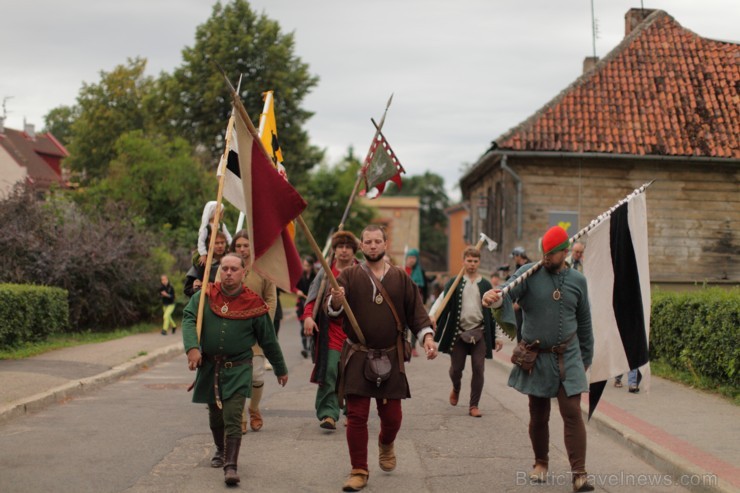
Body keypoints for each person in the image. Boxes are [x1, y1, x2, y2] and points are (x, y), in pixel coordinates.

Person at [483, 225, 594, 492]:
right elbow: (505, 295)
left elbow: (585, 322)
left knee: (571, 412)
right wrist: (494, 299)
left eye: (552, 254)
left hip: (568, 356)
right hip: (537, 357)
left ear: (565, 253)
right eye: (544, 253)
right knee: (538, 413)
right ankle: (541, 462)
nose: (546, 258)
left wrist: (585, 359)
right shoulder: (529, 274)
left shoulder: (578, 280)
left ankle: (579, 473)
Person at [328, 224, 438, 492]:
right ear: (362, 247)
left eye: (378, 241)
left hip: (391, 356)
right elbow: (331, 311)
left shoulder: (401, 279)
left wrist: (427, 338)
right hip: (358, 354)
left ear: (385, 244)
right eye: (368, 241)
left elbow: (418, 314)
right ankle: (359, 469)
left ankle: (386, 443)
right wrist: (335, 301)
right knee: (356, 415)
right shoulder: (348, 276)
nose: (373, 245)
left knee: (392, 418)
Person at [182, 253, 288, 486]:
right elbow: (189, 318)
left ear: (243, 273)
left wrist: (280, 368)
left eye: (233, 269)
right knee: (215, 413)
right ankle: (220, 449)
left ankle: (231, 465)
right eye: (225, 269)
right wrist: (191, 348)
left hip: (239, 367)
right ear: (219, 271)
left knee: (232, 414)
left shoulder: (254, 304)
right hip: (210, 365)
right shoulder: (204, 296)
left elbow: (268, 340)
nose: (228, 273)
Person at [434, 247, 503, 417]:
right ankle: (456, 387)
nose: (472, 264)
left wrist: (498, 336)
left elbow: (496, 310)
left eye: (475, 261)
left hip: (479, 333)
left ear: (479, 262)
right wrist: (431, 318)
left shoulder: (486, 284)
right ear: (463, 261)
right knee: (456, 369)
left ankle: (474, 405)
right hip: (459, 333)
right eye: (469, 261)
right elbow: (441, 302)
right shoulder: (454, 283)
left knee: (479, 368)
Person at [303, 231, 359, 430]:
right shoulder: (326, 272)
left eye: (348, 247)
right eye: (340, 247)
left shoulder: (362, 271)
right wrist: (309, 317)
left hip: (355, 332)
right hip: (331, 331)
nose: (344, 251)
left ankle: (352, 412)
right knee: (330, 370)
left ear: (354, 251)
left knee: (353, 373)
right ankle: (328, 413)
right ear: (334, 250)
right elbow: (312, 298)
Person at [231, 230, 278, 434]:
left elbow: (271, 299)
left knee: (257, 376)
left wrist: (263, 323)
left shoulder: (263, 269)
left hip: (256, 330)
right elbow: (215, 292)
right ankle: (240, 416)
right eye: (239, 245)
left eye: (246, 245)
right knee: (237, 376)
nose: (242, 249)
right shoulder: (227, 267)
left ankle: (254, 408)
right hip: (232, 330)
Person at [184, 231, 228, 297]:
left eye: (222, 243)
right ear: (209, 244)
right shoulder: (201, 263)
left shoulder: (231, 261)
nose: (220, 246)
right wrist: (194, 289)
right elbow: (187, 290)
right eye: (216, 243)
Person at [195, 201, 232, 267]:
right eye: (221, 213)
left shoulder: (221, 225)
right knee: (202, 264)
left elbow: (228, 236)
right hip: (208, 253)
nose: (222, 215)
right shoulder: (207, 227)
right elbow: (201, 241)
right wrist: (203, 254)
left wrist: (231, 245)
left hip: (220, 252)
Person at [296, 256, 317, 358]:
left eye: (307, 265)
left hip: (313, 305)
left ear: (312, 266)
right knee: (302, 327)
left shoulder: (316, 277)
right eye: (304, 265)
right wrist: (297, 291)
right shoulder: (301, 276)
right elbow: (295, 287)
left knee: (311, 328)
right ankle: (305, 348)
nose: (305, 267)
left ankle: (311, 347)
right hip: (302, 305)